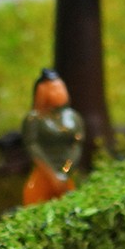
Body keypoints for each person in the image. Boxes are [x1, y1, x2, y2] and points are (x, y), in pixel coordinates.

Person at [22, 68, 86, 205]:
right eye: (52, 90)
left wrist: (66, 170)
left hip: (66, 170)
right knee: (36, 198)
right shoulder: (34, 119)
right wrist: (52, 174)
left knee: (69, 199)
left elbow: (77, 143)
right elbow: (32, 146)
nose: (58, 93)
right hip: (45, 170)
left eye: (59, 89)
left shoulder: (72, 117)